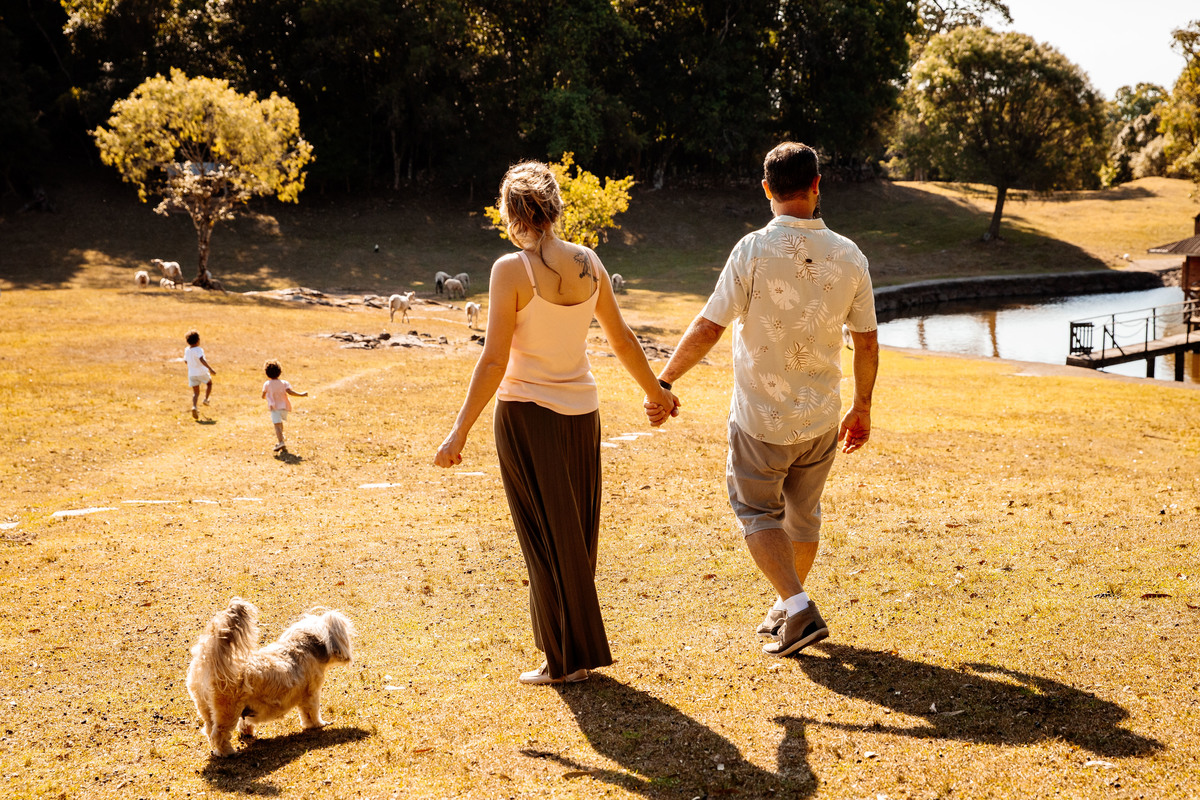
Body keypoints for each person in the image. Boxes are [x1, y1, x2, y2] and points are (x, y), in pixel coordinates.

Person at [434, 161, 677, 686]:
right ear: (556, 209)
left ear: (512, 215)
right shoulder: (590, 262)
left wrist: (459, 432)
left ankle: (561, 660)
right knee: (575, 536)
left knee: (544, 537)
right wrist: (655, 392)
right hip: (582, 414)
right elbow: (621, 338)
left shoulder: (509, 269)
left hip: (527, 414)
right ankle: (573, 651)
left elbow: (494, 360)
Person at [646, 142, 879, 657]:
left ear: (767, 188)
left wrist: (664, 382)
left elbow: (710, 326)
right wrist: (861, 408)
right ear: (818, 185)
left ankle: (797, 608)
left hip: (760, 420)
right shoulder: (851, 256)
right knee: (803, 515)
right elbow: (865, 340)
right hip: (821, 417)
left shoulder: (752, 249)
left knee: (755, 512)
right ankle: (785, 606)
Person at [261, 360, 308, 452]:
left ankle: (281, 442)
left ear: (267, 373)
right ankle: (281, 438)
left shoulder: (267, 384)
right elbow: (290, 392)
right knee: (280, 424)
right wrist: (301, 394)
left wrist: (264, 396)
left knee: (277, 425)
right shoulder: (284, 383)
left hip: (275, 408)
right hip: (284, 407)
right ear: (280, 372)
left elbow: (263, 394)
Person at [184, 330, 216, 419]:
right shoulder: (199, 350)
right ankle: (206, 399)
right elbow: (202, 360)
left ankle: (194, 406)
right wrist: (210, 369)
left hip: (192, 373)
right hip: (201, 371)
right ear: (198, 340)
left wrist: (192, 366)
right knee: (209, 383)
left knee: (196, 392)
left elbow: (186, 361)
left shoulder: (187, 350)